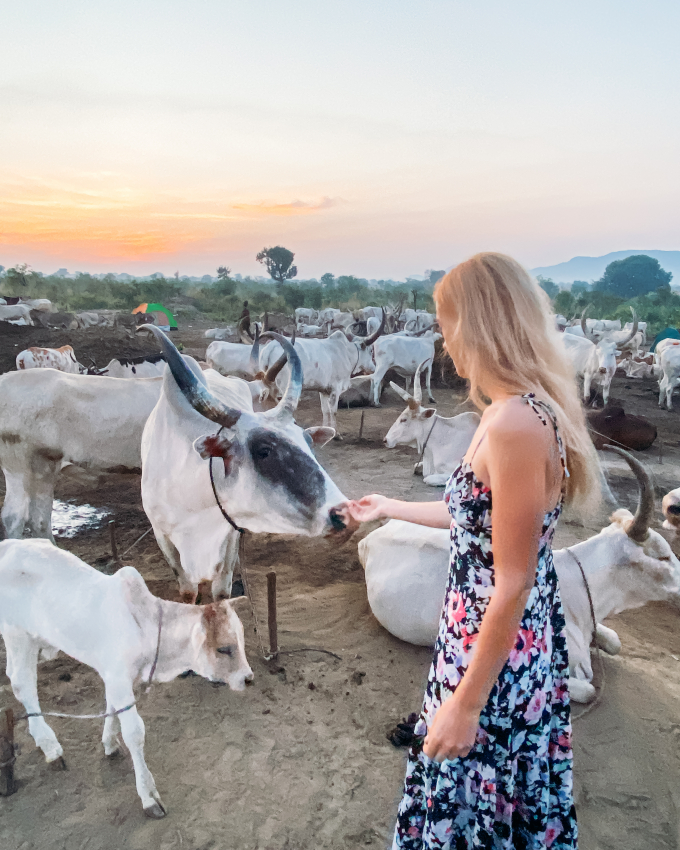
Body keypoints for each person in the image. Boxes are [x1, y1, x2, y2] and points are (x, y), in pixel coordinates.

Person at [342, 253, 598, 849]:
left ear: (481, 324)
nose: (442, 340)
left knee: (477, 807)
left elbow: (514, 579)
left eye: (446, 322)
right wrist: (391, 506)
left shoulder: (514, 425)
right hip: (480, 640)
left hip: (495, 658)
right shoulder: (505, 413)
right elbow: (476, 522)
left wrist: (466, 704)